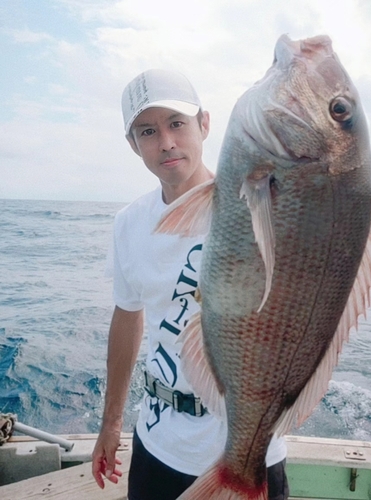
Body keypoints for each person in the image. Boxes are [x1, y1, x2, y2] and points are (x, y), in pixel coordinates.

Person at [91, 69, 289, 500]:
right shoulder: (129, 224)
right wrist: (111, 423)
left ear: (204, 124)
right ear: (133, 144)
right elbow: (128, 317)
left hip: (250, 444)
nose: (166, 142)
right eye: (148, 130)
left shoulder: (257, 208)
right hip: (159, 442)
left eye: (177, 123)